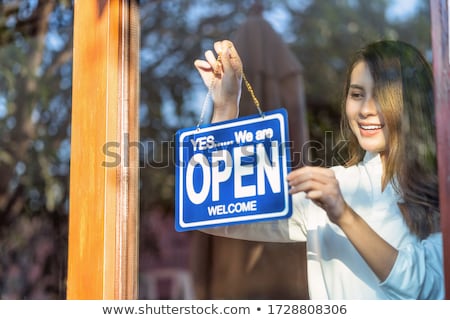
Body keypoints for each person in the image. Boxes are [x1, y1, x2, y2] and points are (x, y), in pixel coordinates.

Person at [193, 39, 444, 299]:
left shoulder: (441, 191)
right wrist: (225, 106)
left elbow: (426, 288)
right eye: (357, 95)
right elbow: (216, 216)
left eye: (381, 96)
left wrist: (345, 216)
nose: (366, 110)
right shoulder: (330, 188)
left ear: (412, 103)